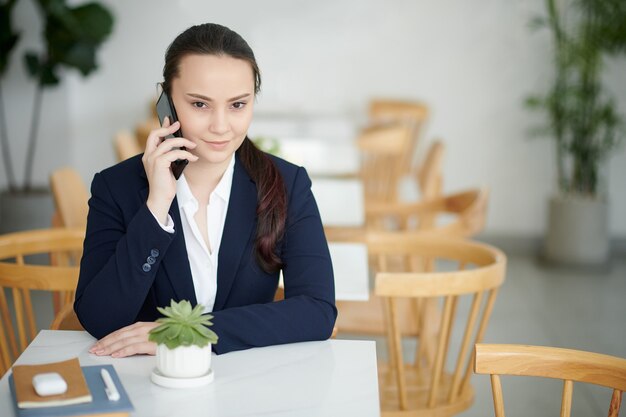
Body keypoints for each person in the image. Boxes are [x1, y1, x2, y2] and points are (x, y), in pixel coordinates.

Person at [74, 23, 336, 356]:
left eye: (237, 105)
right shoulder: (117, 187)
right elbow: (99, 318)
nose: (221, 126)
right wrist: (156, 207)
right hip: (148, 384)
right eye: (200, 104)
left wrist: (185, 334)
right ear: (166, 100)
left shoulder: (287, 183)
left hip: (248, 381)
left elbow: (317, 311)